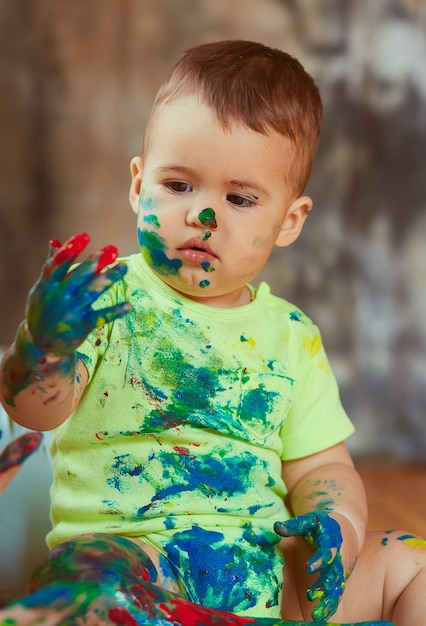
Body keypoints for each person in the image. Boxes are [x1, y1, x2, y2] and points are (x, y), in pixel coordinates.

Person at [0, 39, 424, 626]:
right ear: (138, 183)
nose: (204, 217)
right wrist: (43, 346)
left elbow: (321, 469)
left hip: (262, 570)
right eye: (178, 186)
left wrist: (339, 529)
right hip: (133, 560)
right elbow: (33, 412)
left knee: (411, 565)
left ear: (289, 220)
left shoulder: (292, 337)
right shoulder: (104, 297)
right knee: (87, 588)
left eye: (240, 198)